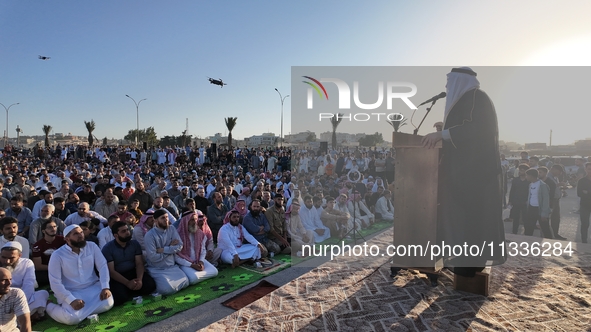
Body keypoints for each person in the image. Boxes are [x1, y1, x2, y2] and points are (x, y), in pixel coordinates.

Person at [421, 67, 506, 277]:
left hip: (476, 176)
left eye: (449, 83)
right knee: (463, 220)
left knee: (472, 220)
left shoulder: (478, 98)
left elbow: (477, 131)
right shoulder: (468, 100)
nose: (447, 87)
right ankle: (465, 263)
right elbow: (464, 128)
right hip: (464, 175)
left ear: (460, 81)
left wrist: (442, 133)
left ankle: (469, 266)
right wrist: (445, 127)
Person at [46, 224, 114, 325]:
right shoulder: (57, 255)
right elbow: (55, 282)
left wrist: (105, 287)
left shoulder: (92, 246)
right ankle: (49, 306)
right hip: (72, 292)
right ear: (67, 238)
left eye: (81, 232)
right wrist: (71, 300)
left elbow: (103, 266)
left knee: (108, 303)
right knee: (71, 319)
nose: (81, 235)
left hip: (93, 288)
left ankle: (82, 312)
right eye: (76, 234)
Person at [101, 221, 156, 305]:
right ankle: (130, 289)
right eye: (123, 231)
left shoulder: (134, 244)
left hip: (133, 272)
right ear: (116, 235)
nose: (127, 233)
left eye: (127, 230)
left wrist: (140, 280)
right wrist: (127, 283)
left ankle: (133, 288)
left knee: (150, 286)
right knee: (120, 298)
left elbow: (139, 263)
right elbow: (111, 271)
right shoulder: (108, 248)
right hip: (118, 276)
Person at [0, 242, 48, 322]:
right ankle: (26, 317)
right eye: (3, 257)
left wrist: (20, 306)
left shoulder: (27, 263)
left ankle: (16, 319)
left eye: (11, 258)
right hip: (2, 299)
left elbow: (28, 286)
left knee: (43, 294)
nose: (7, 261)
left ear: (19, 256)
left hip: (21, 298)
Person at [144, 209, 189, 295]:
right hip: (157, 269)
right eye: (163, 218)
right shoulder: (149, 235)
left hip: (171, 267)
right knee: (166, 289)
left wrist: (164, 249)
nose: (166, 220)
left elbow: (180, 246)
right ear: (156, 221)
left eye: (167, 217)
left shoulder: (171, 229)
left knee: (186, 282)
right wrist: (171, 248)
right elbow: (153, 257)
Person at [175, 211, 219, 284]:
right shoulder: (177, 235)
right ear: (186, 221)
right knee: (193, 278)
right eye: (192, 220)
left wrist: (201, 262)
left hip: (198, 260)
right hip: (185, 263)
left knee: (215, 271)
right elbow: (176, 256)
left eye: (196, 219)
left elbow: (203, 250)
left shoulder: (200, 233)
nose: (195, 222)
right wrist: (191, 265)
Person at [31, 220, 66, 287]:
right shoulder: (38, 245)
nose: (53, 229)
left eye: (54, 226)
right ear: (43, 231)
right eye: (50, 227)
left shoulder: (63, 240)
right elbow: (38, 266)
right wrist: (55, 268)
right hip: (47, 270)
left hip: (64, 268)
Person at [0, 267, 32, 332]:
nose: (9, 283)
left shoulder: (16, 294)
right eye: (4, 280)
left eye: (10, 279)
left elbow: (25, 323)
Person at [524, 169, 552, 238]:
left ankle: (550, 243)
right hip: (531, 208)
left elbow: (546, 200)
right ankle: (527, 242)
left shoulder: (542, 185)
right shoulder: (530, 185)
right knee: (529, 227)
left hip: (540, 209)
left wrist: (544, 213)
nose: (526, 177)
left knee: (545, 228)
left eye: (527, 175)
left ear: (531, 176)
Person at [577, 162, 591, 243]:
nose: (590, 171)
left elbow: (584, 193)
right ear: (585, 169)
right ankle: (584, 240)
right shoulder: (582, 181)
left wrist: (587, 192)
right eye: (589, 169)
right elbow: (579, 193)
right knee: (585, 224)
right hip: (585, 205)